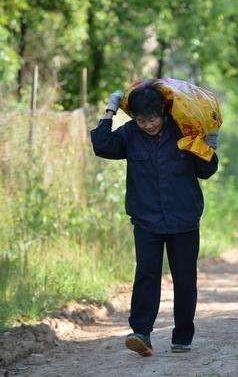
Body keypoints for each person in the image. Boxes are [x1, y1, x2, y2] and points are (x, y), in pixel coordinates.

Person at [90, 86, 219, 356]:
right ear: (134, 118)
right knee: (146, 275)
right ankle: (141, 333)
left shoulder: (184, 129)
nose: (147, 125)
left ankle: (182, 336)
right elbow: (102, 145)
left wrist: (209, 144)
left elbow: (206, 171)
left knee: (184, 279)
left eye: (152, 119)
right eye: (140, 120)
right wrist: (110, 109)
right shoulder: (130, 134)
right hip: (146, 219)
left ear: (162, 112)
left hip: (184, 218)